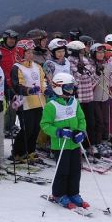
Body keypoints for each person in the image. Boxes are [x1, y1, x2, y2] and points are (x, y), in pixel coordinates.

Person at [40, 72, 88, 209]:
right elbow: (45, 125)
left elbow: (81, 119)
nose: (71, 91)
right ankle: (59, 194)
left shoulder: (75, 102)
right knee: (63, 171)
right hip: (61, 145)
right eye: (67, 88)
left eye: (72, 87)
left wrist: (81, 131)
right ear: (58, 88)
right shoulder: (52, 105)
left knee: (75, 170)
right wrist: (59, 132)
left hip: (74, 144)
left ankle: (74, 193)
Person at [10, 39, 47, 162]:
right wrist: (29, 90)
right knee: (27, 128)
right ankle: (18, 152)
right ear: (21, 52)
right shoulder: (17, 67)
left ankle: (30, 150)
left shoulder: (37, 66)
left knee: (36, 128)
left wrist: (45, 89)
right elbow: (17, 86)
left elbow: (43, 81)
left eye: (32, 52)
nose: (31, 55)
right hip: (25, 103)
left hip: (38, 102)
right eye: (28, 52)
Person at [67, 40, 98, 154]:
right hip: (78, 97)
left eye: (82, 51)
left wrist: (95, 74)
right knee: (78, 122)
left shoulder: (85, 60)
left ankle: (90, 144)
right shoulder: (69, 62)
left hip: (88, 96)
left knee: (90, 122)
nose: (82, 53)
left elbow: (92, 76)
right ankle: (78, 145)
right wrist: (81, 73)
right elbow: (74, 80)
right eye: (79, 51)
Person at [90, 43, 112, 156]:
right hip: (94, 97)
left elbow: (110, 83)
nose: (101, 55)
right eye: (98, 53)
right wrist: (97, 73)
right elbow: (90, 83)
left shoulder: (107, 65)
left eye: (102, 53)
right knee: (98, 121)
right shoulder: (90, 65)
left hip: (105, 96)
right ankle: (97, 142)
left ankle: (104, 141)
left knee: (105, 120)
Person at [0, 29, 19, 137]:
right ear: (5, 39)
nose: (12, 41)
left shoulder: (17, 50)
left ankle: (12, 124)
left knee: (15, 105)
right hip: (4, 84)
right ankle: (6, 127)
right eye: (10, 39)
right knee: (8, 106)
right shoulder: (0, 51)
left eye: (14, 39)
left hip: (17, 83)